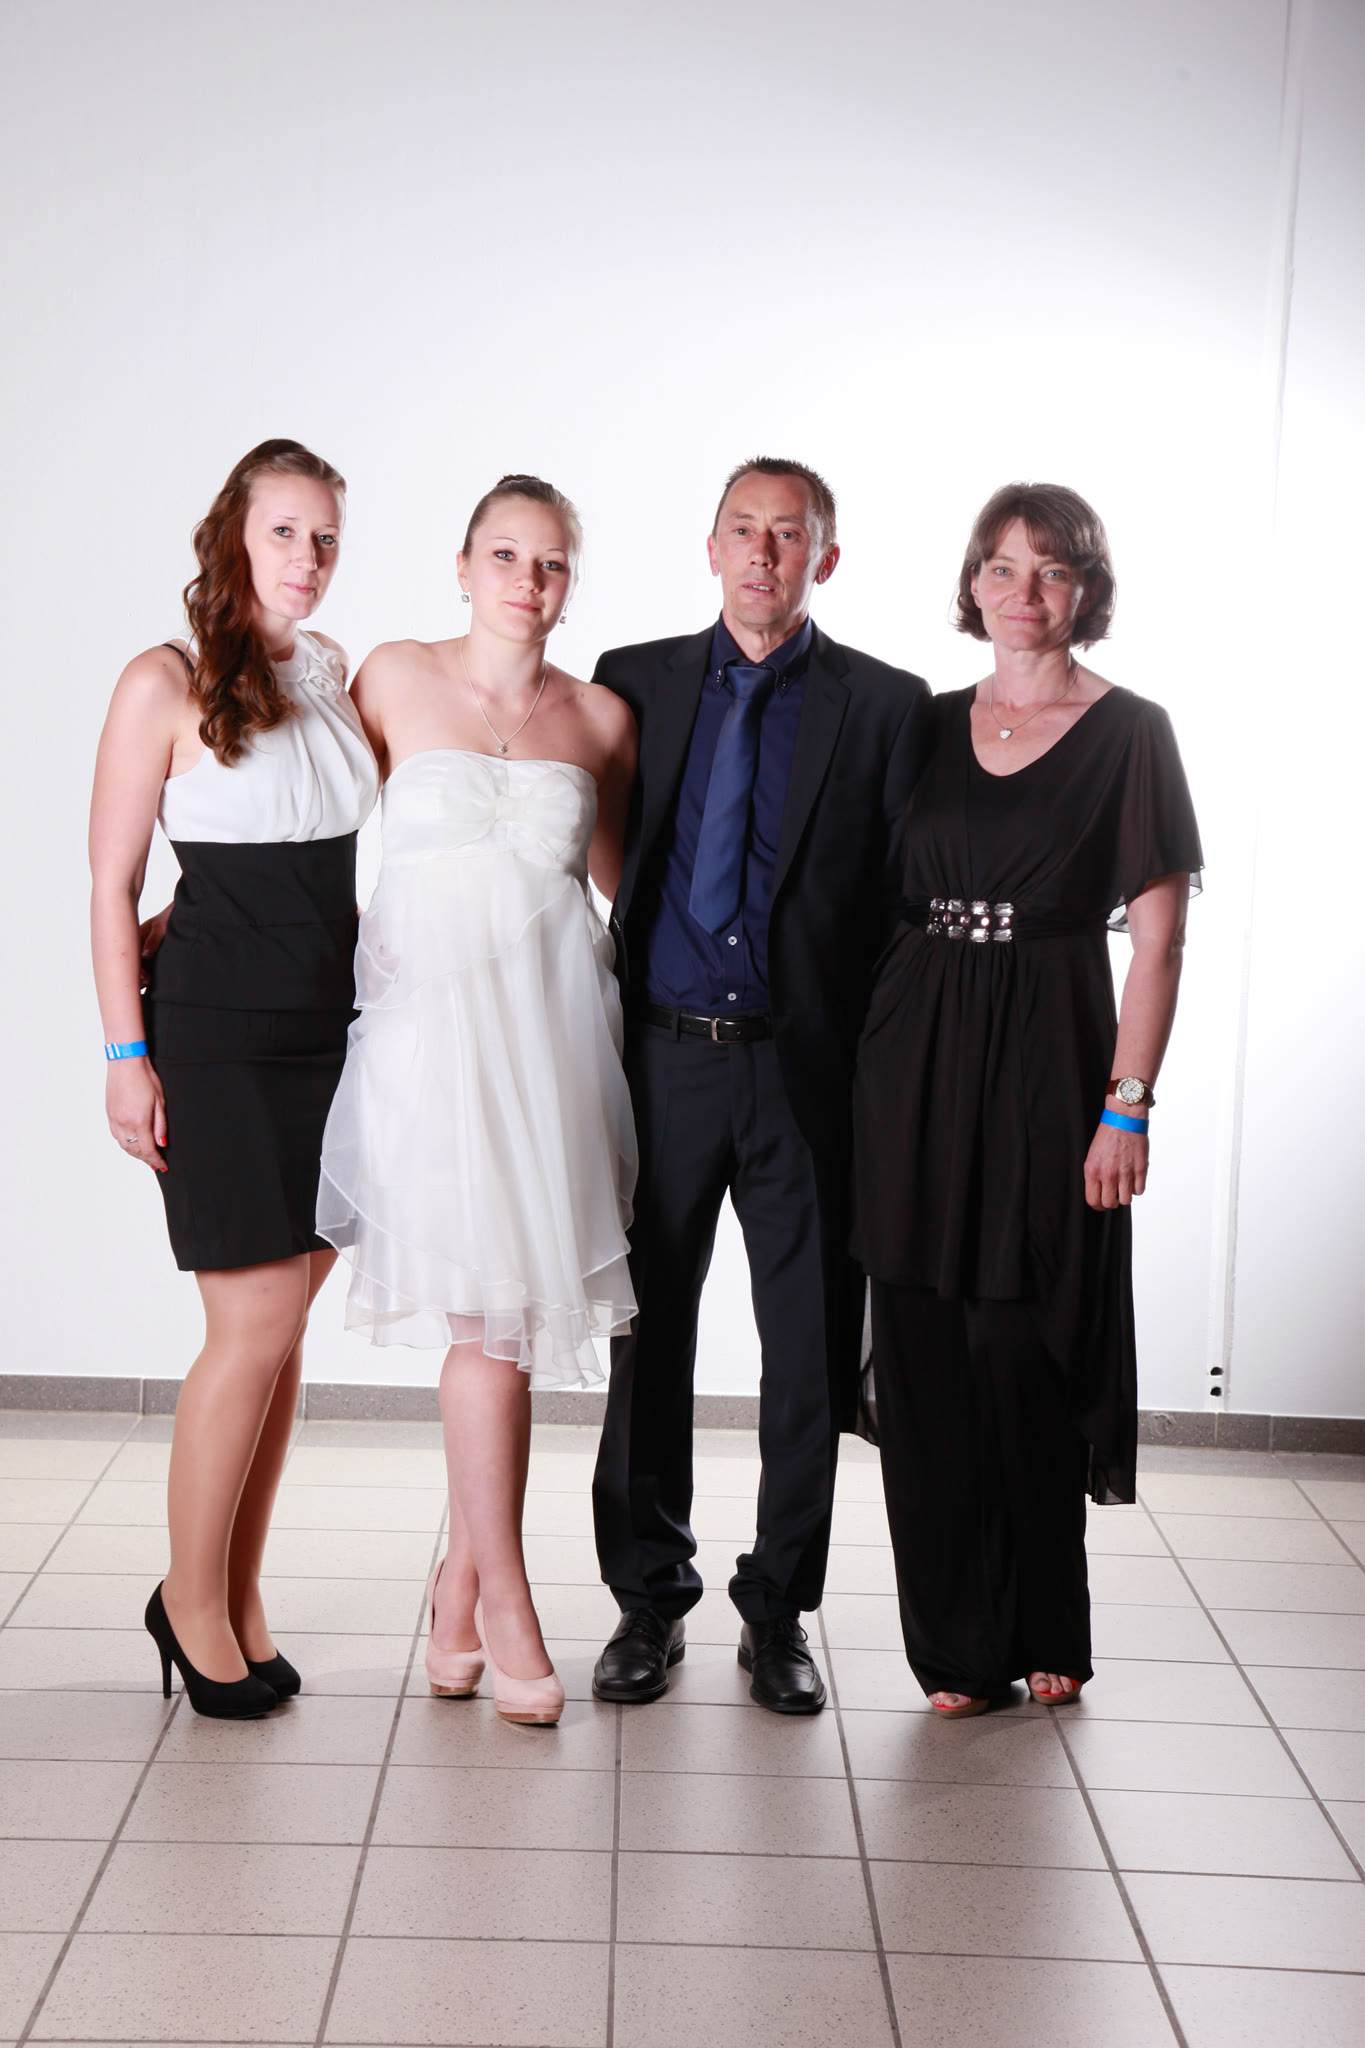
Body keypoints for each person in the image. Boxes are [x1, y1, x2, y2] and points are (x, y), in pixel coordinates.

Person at [851, 482, 1203, 1717]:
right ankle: (955, 1646)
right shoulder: (922, 723)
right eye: (1001, 566)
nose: (1024, 590)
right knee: (923, 1345)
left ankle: (1046, 1617)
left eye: (1052, 569)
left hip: (1054, 1050)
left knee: (1026, 1341)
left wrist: (1128, 1104)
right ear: (972, 582)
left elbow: (1157, 945)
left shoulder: (1133, 732)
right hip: (911, 1051)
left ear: (1086, 589)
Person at [590, 457, 930, 1714]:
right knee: (650, 1339)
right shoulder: (633, 681)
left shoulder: (885, 705)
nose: (764, 554)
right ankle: (647, 1599)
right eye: (744, 529)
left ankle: (779, 1606)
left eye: (790, 535)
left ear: (824, 558)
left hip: (804, 1075)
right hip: (664, 1060)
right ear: (711, 545)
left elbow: (898, 908)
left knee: (809, 1354)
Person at [317, 474, 637, 1727]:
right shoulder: (394, 675)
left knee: (499, 1326)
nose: (527, 580)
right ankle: (507, 1599)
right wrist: (186, 918)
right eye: (505, 554)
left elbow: (629, 888)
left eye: (550, 562)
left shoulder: (601, 718)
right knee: (487, 1326)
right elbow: (303, 826)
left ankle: (457, 1588)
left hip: (550, 1058)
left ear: (572, 582)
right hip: (428, 1050)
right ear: (462, 565)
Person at [89, 438, 378, 1718]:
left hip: (334, 1027)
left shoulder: (329, 668)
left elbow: (320, 855)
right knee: (248, 1327)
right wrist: (125, 1055)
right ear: (233, 534)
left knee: (284, 1335)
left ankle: (238, 1593)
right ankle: (188, 1603)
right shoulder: (161, 679)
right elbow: (110, 885)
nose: (308, 557)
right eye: (285, 532)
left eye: (326, 536)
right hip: (218, 1040)